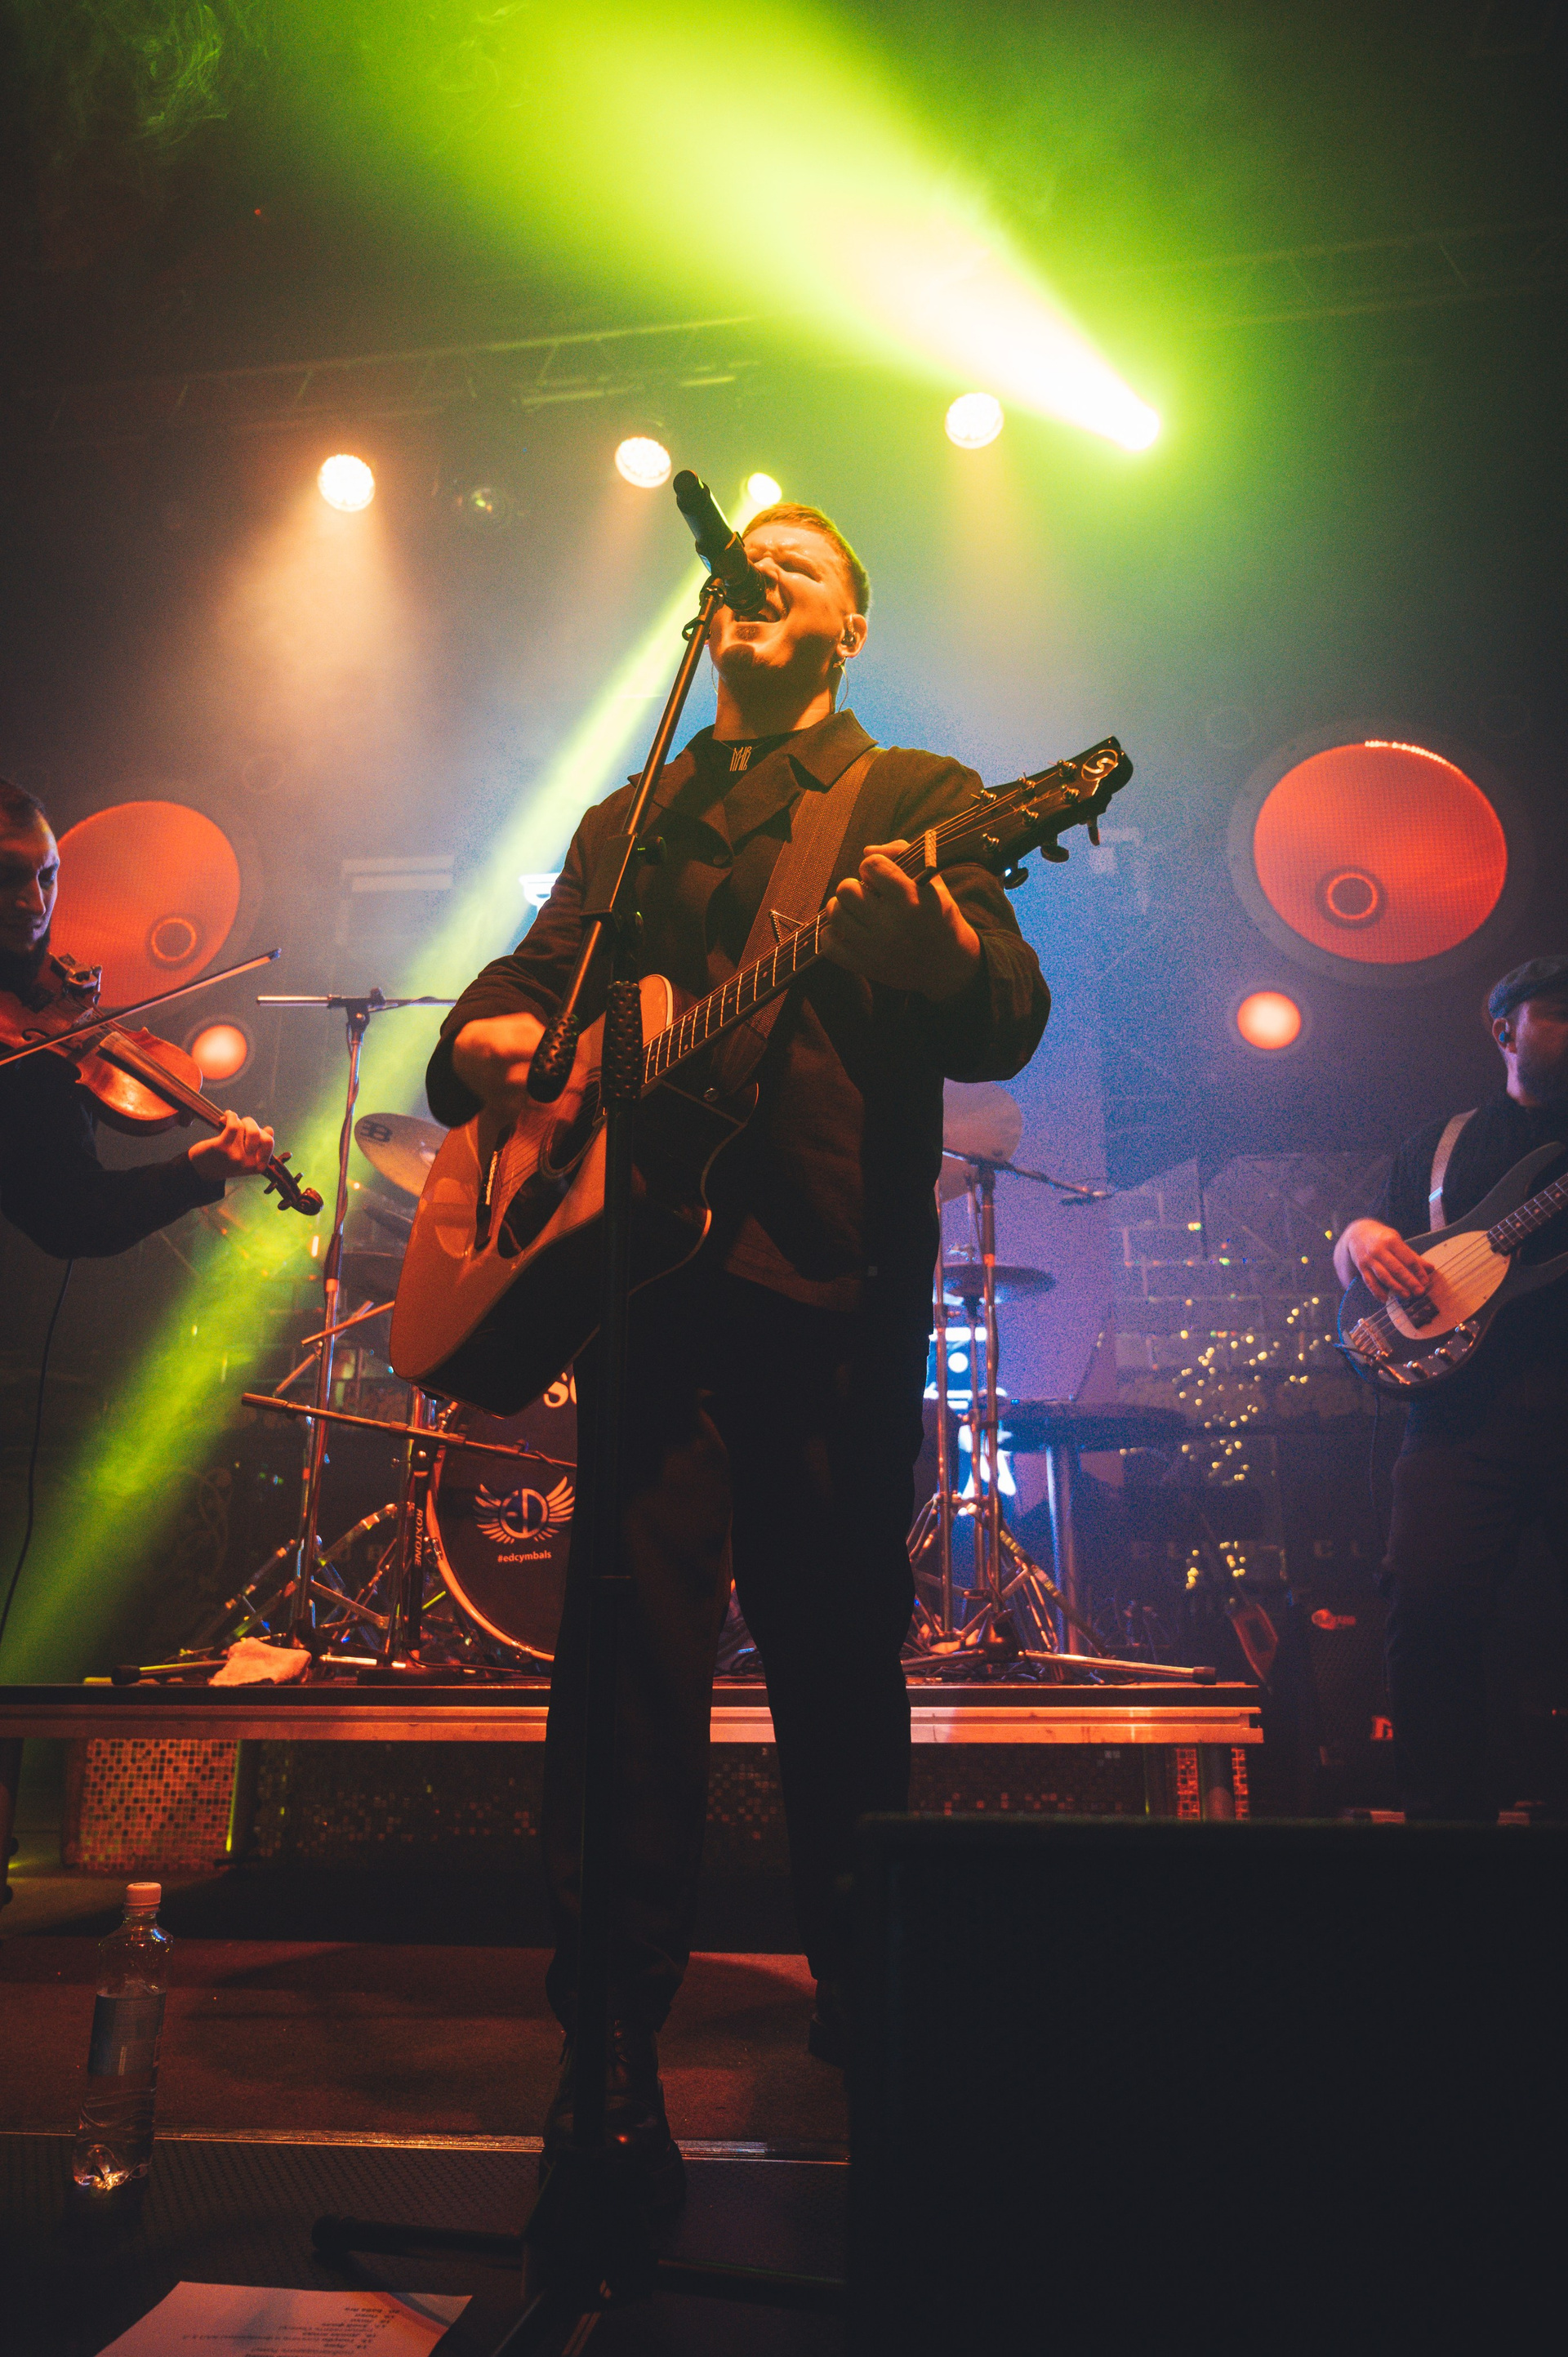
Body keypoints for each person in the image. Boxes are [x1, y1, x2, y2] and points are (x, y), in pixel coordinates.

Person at [427, 501, 1050, 2200]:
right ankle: (610, 2047)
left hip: (828, 1288)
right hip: (647, 1295)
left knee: (837, 1669)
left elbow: (1006, 1008)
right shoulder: (634, 813)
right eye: (747, 555)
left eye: (806, 559)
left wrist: (941, 948)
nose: (764, 564)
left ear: (852, 625)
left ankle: (873, 2003)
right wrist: (489, 1038)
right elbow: (532, 976)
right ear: (710, 613)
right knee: (623, 1677)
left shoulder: (915, 796)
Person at [1332, 956, 1568, 1820]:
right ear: (1506, 1030)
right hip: (1460, 1419)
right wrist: (1359, 1239)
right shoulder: (1441, 1144)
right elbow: (1364, 1254)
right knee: (1427, 1606)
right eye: (1560, 1010)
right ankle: (1442, 1829)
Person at [0, 777, 274, 1255]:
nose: (37, 904)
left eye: (47, 877)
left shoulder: (41, 1033)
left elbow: (72, 1215)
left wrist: (197, 1171)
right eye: (7, 877)